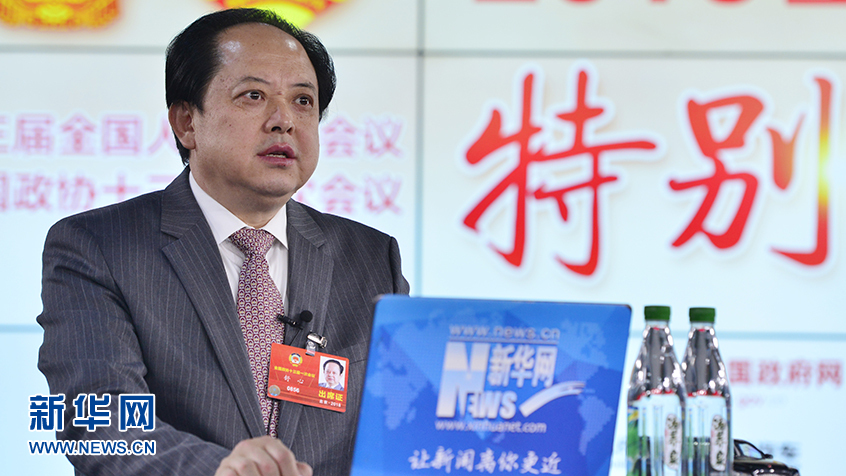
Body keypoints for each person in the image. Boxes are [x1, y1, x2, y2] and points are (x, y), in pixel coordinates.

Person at [37, 8, 409, 476]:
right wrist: (224, 469)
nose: (284, 121)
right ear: (186, 123)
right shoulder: (99, 247)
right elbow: (98, 419)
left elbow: (403, 418)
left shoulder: (371, 258)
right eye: (253, 95)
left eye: (303, 101)